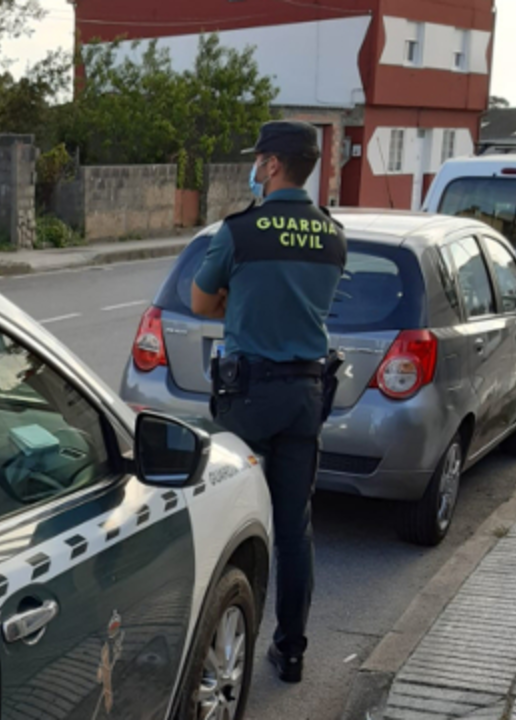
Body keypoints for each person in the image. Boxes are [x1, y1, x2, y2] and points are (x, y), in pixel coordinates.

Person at [189, 120, 347, 684]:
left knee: (228, 519)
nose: (254, 168)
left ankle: (212, 643)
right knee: (293, 529)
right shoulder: (333, 234)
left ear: (274, 165)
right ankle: (292, 651)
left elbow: (201, 300)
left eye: (258, 159)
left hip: (248, 397)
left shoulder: (240, 231)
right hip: (306, 396)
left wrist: (237, 299)